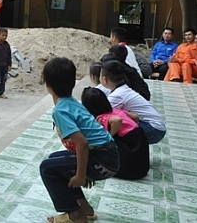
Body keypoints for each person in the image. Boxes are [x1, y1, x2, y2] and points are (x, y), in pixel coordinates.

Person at [40, 58, 119, 223]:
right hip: (109, 155)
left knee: (47, 168)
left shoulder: (60, 110)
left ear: (47, 83)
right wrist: (79, 171)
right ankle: (85, 209)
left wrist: (81, 175)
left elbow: (82, 143)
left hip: (102, 159)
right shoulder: (73, 103)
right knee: (55, 159)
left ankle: (76, 215)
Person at [81, 87, 149, 180]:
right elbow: (135, 117)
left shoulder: (102, 118)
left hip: (131, 158)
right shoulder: (116, 110)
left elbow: (117, 120)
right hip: (140, 146)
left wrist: (109, 137)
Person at [100, 60, 166, 144]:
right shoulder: (123, 88)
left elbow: (100, 111)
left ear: (104, 79)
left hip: (153, 129)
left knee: (109, 122)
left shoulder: (117, 95)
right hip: (156, 126)